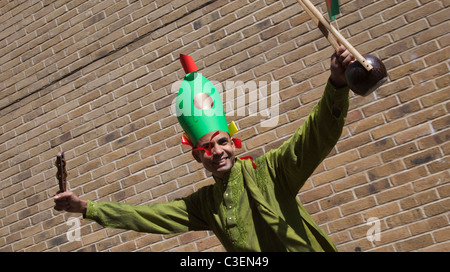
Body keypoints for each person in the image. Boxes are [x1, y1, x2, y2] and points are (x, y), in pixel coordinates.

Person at [54, 45, 355, 252]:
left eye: (223, 141)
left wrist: (337, 84)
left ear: (234, 143)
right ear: (198, 156)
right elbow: (147, 216)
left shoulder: (270, 171)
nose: (218, 151)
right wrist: (86, 208)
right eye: (208, 147)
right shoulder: (205, 205)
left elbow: (314, 137)